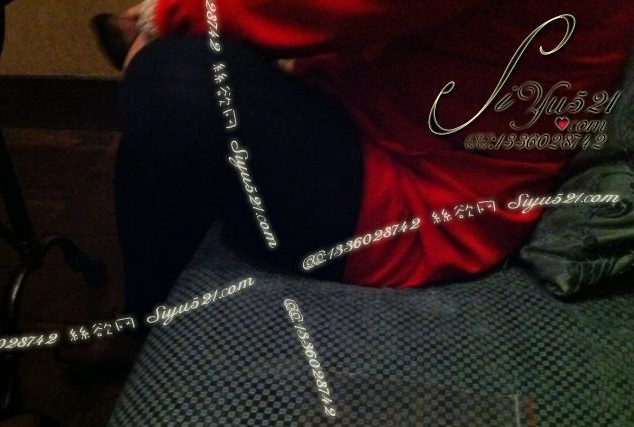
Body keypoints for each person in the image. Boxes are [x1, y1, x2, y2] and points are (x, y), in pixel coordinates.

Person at [93, 1, 633, 342]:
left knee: (175, 84)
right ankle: (143, 313)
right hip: (373, 118)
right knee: (173, 85)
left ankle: (142, 318)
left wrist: (167, 15)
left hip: (429, 206)